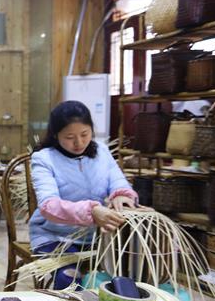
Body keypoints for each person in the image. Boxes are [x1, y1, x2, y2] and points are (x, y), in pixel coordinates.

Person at [29, 100, 138, 289]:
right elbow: (48, 206)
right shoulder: (44, 159)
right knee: (69, 280)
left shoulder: (101, 152)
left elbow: (117, 180)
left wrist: (122, 194)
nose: (79, 142)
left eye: (84, 134)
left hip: (96, 237)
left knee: (126, 276)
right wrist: (92, 211)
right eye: (70, 137)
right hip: (55, 237)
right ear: (56, 135)